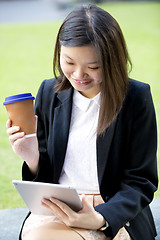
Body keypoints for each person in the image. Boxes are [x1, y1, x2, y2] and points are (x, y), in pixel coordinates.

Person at [6, 4, 158, 240]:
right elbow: (47, 176)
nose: (78, 75)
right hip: (57, 207)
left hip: (112, 211)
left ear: (112, 61)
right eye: (69, 62)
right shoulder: (49, 92)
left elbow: (141, 181)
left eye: (93, 67)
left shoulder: (136, 97)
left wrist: (99, 218)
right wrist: (32, 156)